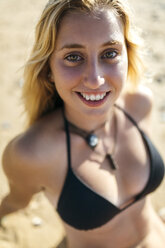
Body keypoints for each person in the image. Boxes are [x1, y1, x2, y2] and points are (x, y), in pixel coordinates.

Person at [0, 0, 165, 247]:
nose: (95, 79)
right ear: (49, 70)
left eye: (110, 53)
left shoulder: (140, 105)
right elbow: (15, 202)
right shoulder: (31, 152)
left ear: (127, 54)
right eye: (73, 57)